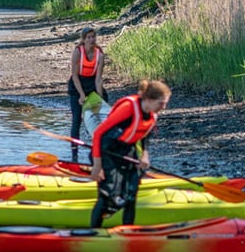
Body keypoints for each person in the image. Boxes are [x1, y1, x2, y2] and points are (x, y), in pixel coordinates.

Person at [89, 79, 170, 227]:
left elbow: (145, 135)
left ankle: (128, 229)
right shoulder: (128, 107)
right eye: (161, 103)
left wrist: (145, 155)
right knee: (108, 194)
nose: (163, 107)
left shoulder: (152, 114)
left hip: (127, 150)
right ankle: (94, 232)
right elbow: (99, 133)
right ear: (149, 99)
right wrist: (97, 165)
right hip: (107, 151)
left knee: (132, 193)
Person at [68, 26, 107, 162]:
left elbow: (98, 79)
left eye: (93, 37)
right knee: (76, 121)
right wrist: (81, 95)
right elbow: (74, 76)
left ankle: (101, 151)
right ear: (83, 40)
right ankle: (74, 156)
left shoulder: (100, 54)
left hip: (92, 85)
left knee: (101, 119)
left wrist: (100, 97)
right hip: (77, 85)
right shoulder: (77, 53)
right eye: (89, 37)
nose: (92, 40)